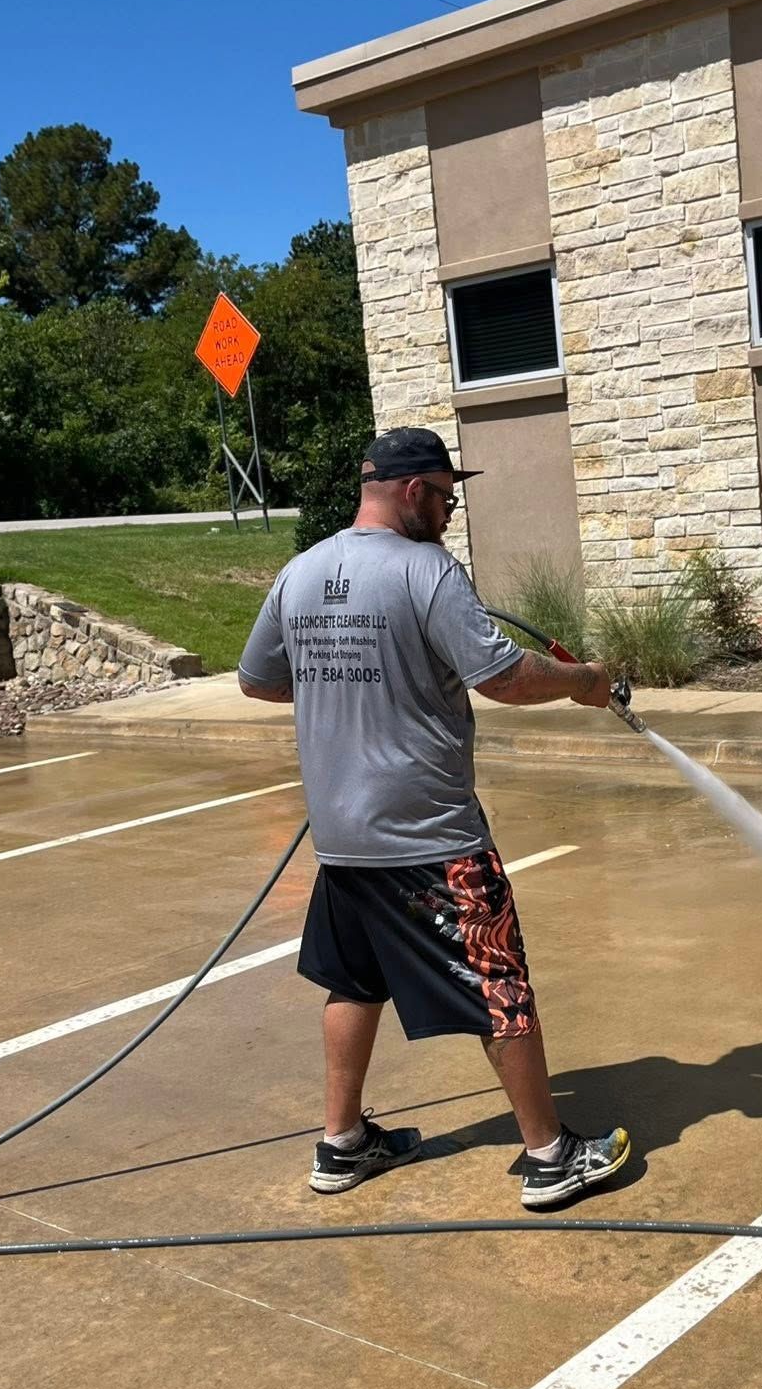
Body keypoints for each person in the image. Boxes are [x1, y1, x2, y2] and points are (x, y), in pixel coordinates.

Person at [238, 426, 631, 1210]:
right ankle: (551, 1156)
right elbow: (506, 678)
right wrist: (585, 680)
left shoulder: (302, 571)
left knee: (353, 982)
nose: (450, 511)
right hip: (431, 837)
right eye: (446, 497)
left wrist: (349, 689)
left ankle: (342, 1145)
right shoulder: (426, 570)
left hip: (344, 839)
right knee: (499, 983)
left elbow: (260, 681)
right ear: (413, 491)